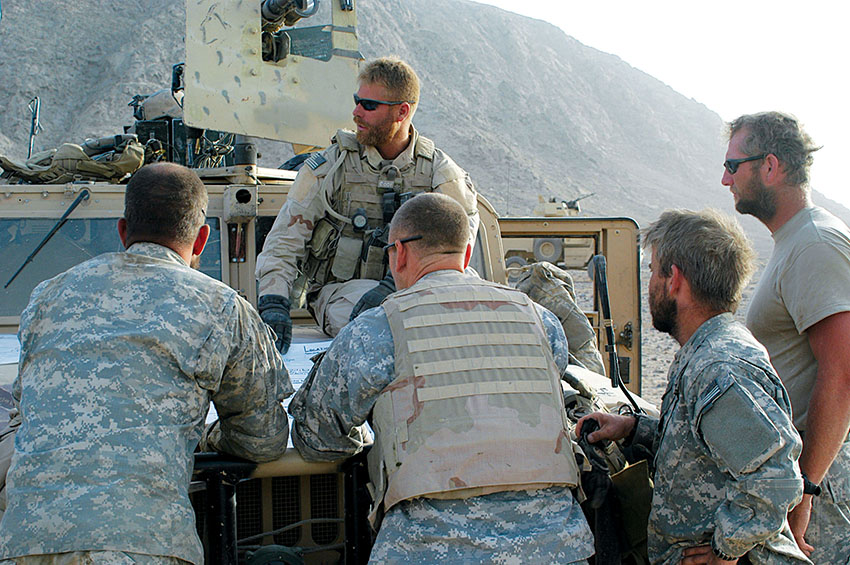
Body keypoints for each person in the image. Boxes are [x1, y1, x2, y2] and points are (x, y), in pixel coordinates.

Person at [0, 163, 293, 565]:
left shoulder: (47, 297)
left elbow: (27, 406)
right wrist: (206, 440)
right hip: (145, 543)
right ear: (203, 238)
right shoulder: (222, 307)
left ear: (122, 231)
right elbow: (263, 438)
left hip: (26, 543)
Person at [289, 193, 594, 563]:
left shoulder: (378, 329)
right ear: (466, 256)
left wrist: (375, 436)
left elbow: (316, 437)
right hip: (556, 547)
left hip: (428, 550)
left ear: (399, 254)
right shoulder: (541, 320)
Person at [578, 209, 809, 565]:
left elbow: (777, 477)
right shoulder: (706, 352)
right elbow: (703, 446)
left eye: (654, 271)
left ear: (675, 280)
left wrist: (725, 549)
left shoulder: (719, 366)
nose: (651, 283)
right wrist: (633, 429)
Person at [256, 57, 479, 351]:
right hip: (342, 294)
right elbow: (284, 243)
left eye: (368, 106)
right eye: (356, 101)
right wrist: (274, 303)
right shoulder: (330, 168)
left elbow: (459, 252)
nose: (356, 113)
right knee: (377, 323)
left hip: (419, 289)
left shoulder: (440, 173)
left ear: (402, 111)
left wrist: (391, 287)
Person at [723, 111, 850, 563]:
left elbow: (843, 374)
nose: (725, 179)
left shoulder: (815, 244)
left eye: (733, 165)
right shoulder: (797, 242)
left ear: (770, 167)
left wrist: (807, 488)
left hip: (820, 482)